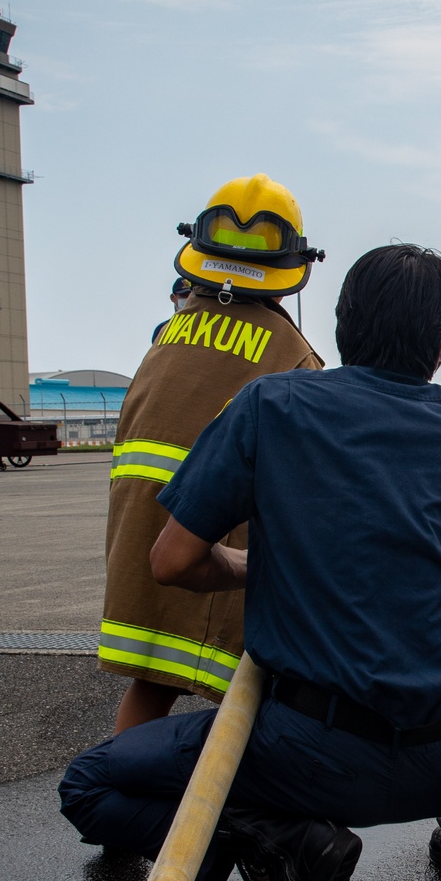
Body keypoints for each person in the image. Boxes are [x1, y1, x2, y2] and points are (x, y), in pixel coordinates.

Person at [62, 243, 441, 881]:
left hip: (317, 761)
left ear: (339, 323)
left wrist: (249, 567)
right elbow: (425, 576)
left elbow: (172, 561)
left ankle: (287, 844)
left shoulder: (274, 406)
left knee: (86, 786)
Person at [100, 174, 325, 733]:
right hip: (219, 538)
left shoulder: (169, 335)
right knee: (251, 697)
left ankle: (115, 806)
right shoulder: (292, 355)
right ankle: (232, 815)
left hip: (140, 530)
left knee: (152, 682)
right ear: (295, 267)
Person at [150, 277, 193, 345]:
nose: (188, 299)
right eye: (184, 295)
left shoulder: (205, 325)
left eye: (191, 295)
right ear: (173, 298)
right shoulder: (163, 328)